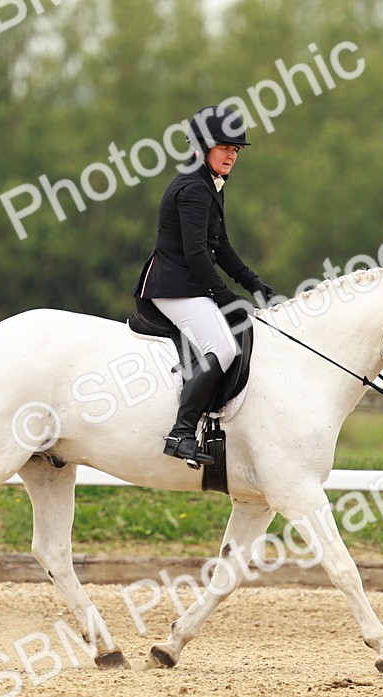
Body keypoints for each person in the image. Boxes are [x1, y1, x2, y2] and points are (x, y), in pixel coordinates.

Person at [132, 104, 275, 466]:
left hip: (188, 285)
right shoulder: (193, 189)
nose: (231, 155)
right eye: (225, 147)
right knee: (223, 348)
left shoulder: (209, 185)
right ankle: (181, 432)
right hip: (173, 287)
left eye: (236, 149)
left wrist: (253, 282)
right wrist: (226, 297)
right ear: (202, 146)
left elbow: (220, 245)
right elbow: (197, 254)